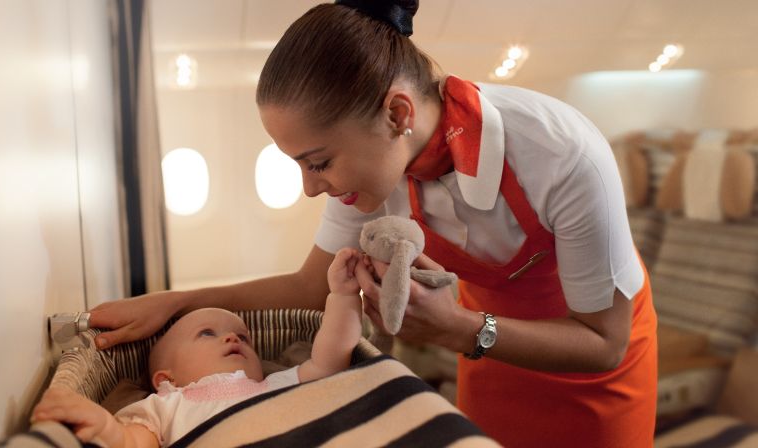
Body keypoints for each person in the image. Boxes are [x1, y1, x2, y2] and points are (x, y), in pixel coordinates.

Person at [89, 1, 658, 446]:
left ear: (397, 114)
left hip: (593, 363)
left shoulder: (561, 155)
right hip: (493, 352)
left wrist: (459, 329)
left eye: (318, 162)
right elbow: (309, 289)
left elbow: (602, 343)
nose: (312, 187)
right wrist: (176, 302)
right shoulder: (373, 170)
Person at [31, 248, 364, 447]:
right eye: (208, 334)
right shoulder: (166, 406)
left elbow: (331, 360)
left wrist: (344, 296)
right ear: (166, 378)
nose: (232, 338)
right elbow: (132, 442)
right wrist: (104, 427)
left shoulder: (274, 385)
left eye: (243, 337)